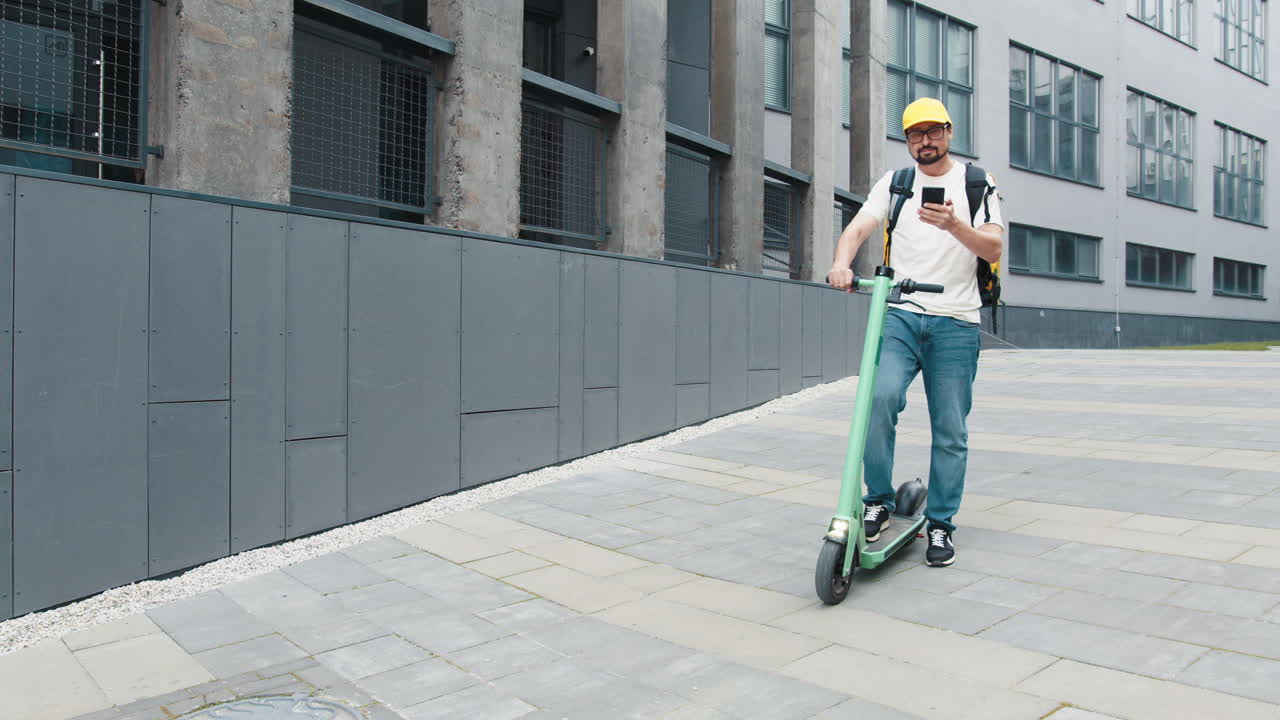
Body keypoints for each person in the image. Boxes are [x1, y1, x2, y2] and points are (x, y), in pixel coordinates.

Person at [826, 97, 1005, 567]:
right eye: (915, 134)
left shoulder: (976, 182)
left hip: (957, 321)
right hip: (901, 315)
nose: (925, 141)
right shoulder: (896, 183)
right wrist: (841, 263)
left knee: (950, 427)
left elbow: (993, 247)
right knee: (878, 400)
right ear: (907, 140)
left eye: (933, 131)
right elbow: (858, 228)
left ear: (949, 132)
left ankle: (941, 523)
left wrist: (955, 225)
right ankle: (878, 501)